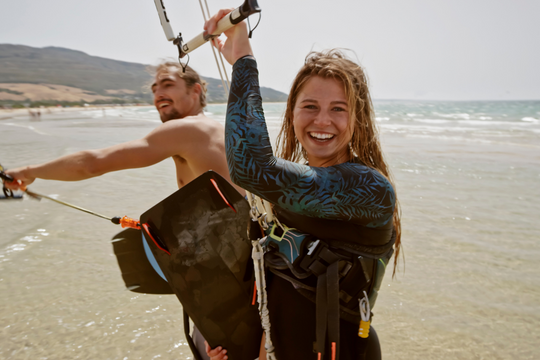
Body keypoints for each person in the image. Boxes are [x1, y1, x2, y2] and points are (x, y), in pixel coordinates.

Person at [3, 62, 237, 360]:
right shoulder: (220, 129)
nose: (158, 94)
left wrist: (29, 171)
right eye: (154, 88)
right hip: (239, 263)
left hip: (225, 275)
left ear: (196, 90)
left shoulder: (186, 129)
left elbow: (93, 163)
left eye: (167, 84)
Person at [204, 9, 401, 360]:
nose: (322, 120)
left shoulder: (370, 190)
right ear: (292, 113)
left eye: (338, 109)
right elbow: (276, 293)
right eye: (310, 106)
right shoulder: (290, 190)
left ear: (358, 120)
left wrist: (243, 59)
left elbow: (251, 168)